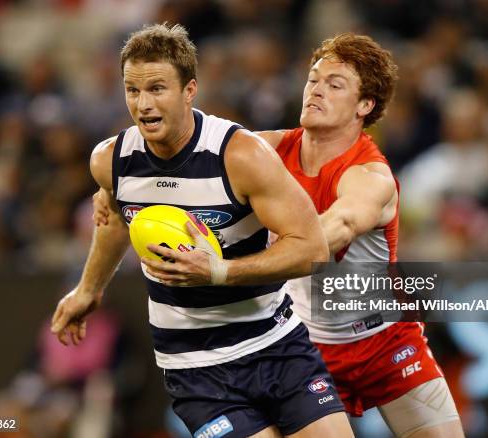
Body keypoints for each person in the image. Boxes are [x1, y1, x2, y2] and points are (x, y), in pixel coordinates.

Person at [93, 32, 465, 438]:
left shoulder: (370, 176)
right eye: (313, 79)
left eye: (335, 85)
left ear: (365, 105)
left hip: (384, 342)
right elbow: (194, 165)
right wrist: (118, 191)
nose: (316, 91)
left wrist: (259, 256)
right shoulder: (265, 152)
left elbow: (331, 231)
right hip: (303, 344)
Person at [51, 23, 353, 438]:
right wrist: (88, 289)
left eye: (157, 88)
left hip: (277, 348)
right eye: (132, 90)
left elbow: (311, 249)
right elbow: (119, 219)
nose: (143, 104)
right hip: (195, 368)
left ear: (189, 90)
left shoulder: (241, 156)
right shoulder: (111, 160)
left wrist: (219, 271)